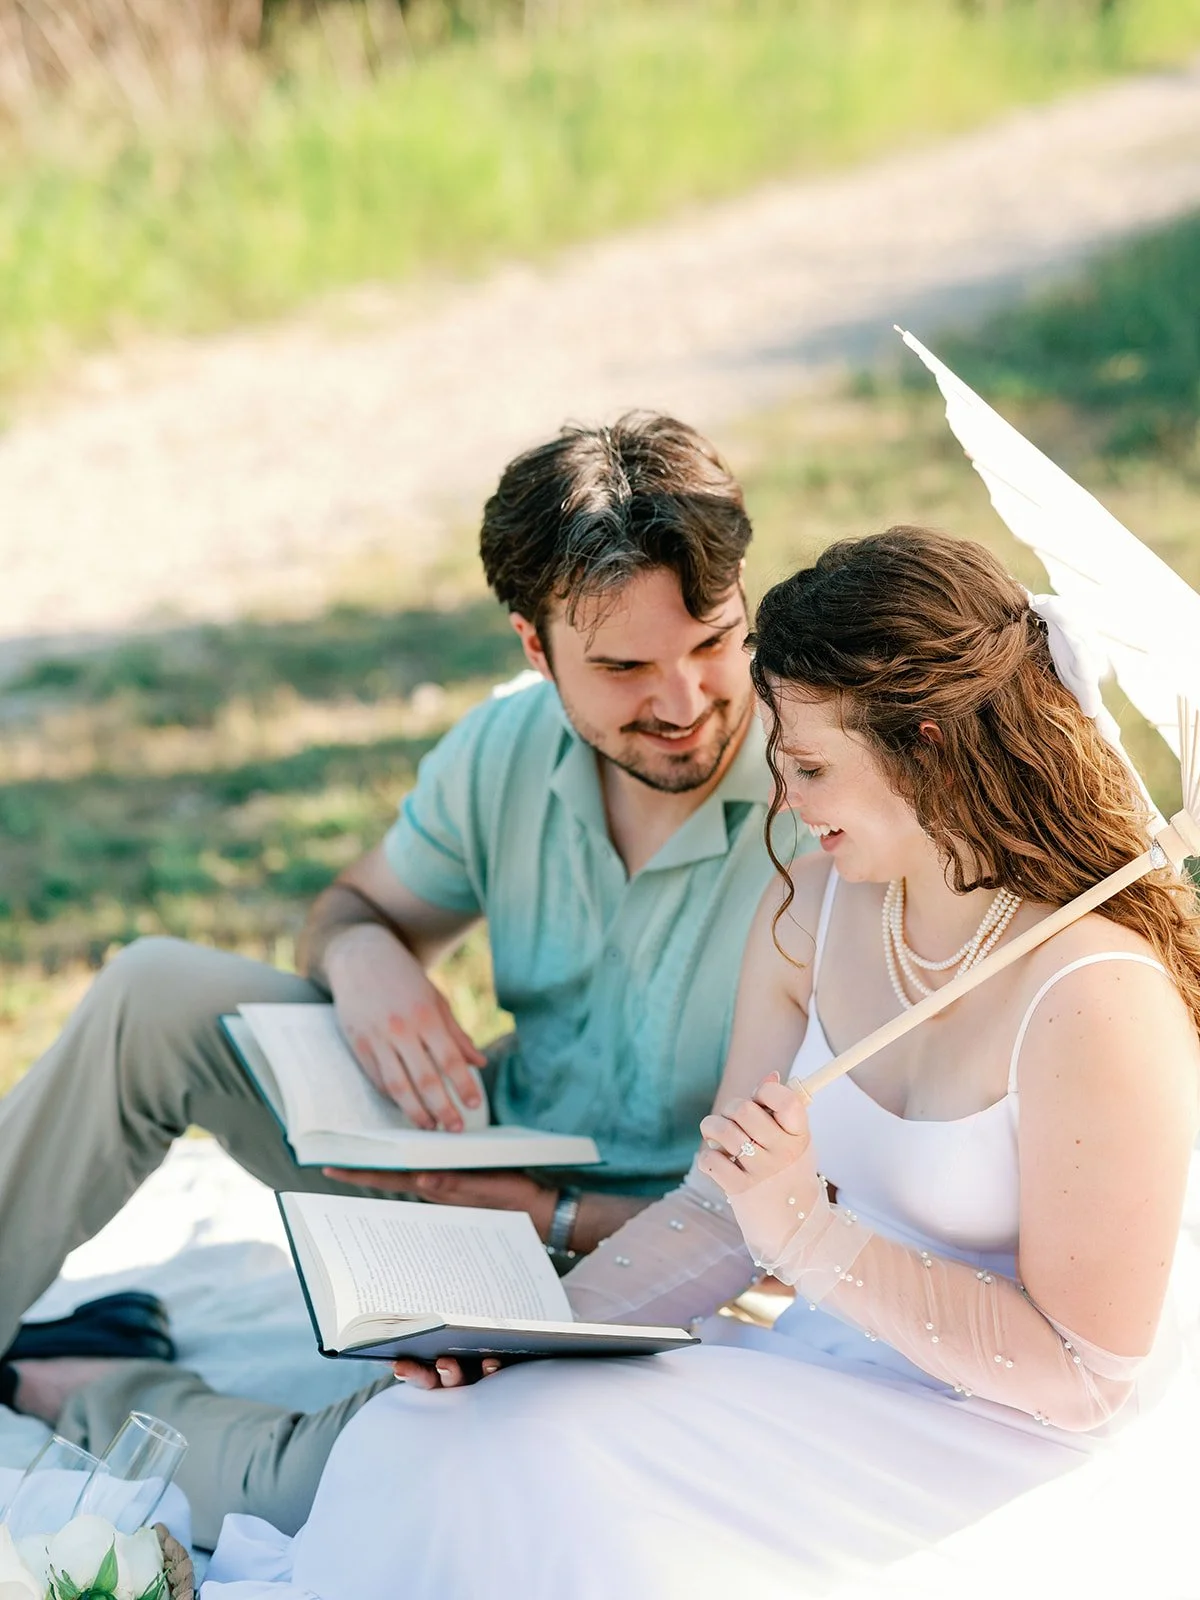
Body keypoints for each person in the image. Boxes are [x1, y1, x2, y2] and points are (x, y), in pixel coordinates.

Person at [202, 526, 1200, 1600]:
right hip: (824, 1381)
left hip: (1007, 1455)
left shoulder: (1093, 994)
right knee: (439, 1434)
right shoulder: (814, 901)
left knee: (581, 1522)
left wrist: (811, 1235)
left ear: (931, 747)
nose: (780, 797)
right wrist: (536, 1339)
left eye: (811, 766)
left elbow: (1085, 1376)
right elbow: (722, 1209)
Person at [0, 414, 788, 1547]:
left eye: (713, 642)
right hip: (461, 1186)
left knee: (374, 1478)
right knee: (155, 989)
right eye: (622, 666)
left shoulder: (819, 792)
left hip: (657, 1269)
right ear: (535, 644)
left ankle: (83, 1387)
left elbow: (805, 1219)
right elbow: (352, 907)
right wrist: (364, 955)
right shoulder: (506, 748)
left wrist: (558, 1216)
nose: (682, 699)